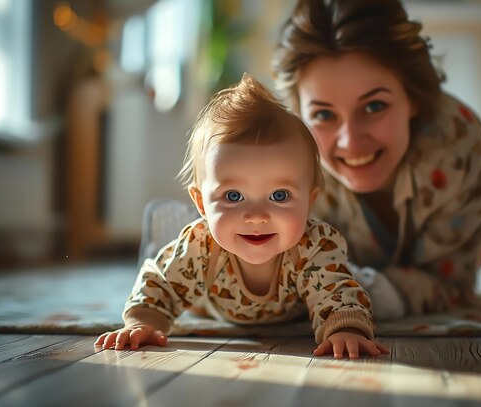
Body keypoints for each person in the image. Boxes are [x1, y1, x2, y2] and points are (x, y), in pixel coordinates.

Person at [95, 75, 388, 359]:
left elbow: (335, 292)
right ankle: (163, 235)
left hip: (301, 304)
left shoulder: (313, 246)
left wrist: (346, 328)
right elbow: (160, 283)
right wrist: (142, 322)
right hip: (207, 300)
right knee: (170, 266)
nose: (257, 216)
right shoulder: (201, 246)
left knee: (364, 288)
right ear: (200, 201)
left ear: (310, 201)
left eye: (280, 195)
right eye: (233, 196)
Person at [272, 0, 481, 318]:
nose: (351, 141)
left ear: (412, 97)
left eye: (374, 107)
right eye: (323, 114)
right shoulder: (293, 165)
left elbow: (450, 283)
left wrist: (359, 292)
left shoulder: (457, 144)